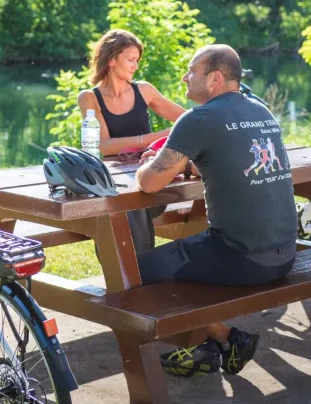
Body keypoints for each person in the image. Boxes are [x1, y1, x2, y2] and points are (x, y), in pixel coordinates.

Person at [135, 44, 297, 378]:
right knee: (188, 252)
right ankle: (206, 345)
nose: (185, 76)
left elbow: (149, 183)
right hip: (285, 254)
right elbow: (233, 158)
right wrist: (193, 166)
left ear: (215, 78)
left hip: (241, 258)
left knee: (132, 272)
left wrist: (146, 166)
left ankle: (224, 337)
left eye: (192, 70)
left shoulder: (198, 117)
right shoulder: (260, 110)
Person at [77, 29, 186, 253]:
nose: (135, 66)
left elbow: (188, 119)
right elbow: (103, 146)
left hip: (149, 178)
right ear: (111, 60)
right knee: (123, 206)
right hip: (112, 182)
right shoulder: (89, 98)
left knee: (125, 208)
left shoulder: (144, 90)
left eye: (137, 60)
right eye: (130, 60)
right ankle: (136, 275)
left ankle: (133, 275)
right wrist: (155, 137)